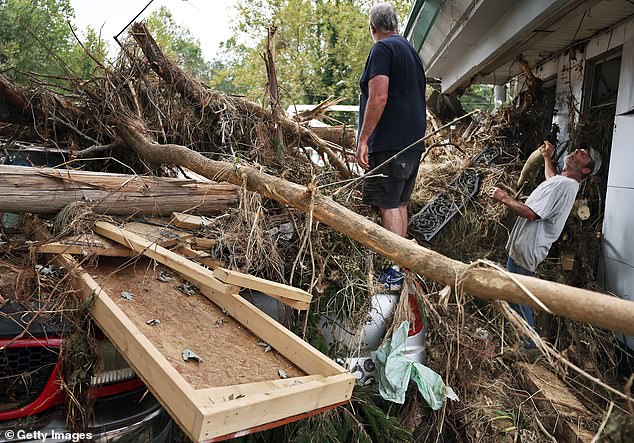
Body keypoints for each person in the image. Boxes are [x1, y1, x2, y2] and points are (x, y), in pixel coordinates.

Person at [356, 3, 426, 290]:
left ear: (373, 28)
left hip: (390, 142)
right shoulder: (411, 52)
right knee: (399, 202)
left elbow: (379, 96)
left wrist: (363, 138)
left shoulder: (382, 50)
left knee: (386, 204)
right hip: (412, 142)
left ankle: (393, 269)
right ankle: (402, 264)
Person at [490, 140, 595, 330]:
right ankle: (527, 344)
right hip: (525, 248)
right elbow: (551, 179)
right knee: (516, 298)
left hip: (527, 249)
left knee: (518, 300)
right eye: (580, 150)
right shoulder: (564, 183)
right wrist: (547, 158)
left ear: (585, 170)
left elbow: (532, 213)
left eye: (584, 155)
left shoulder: (565, 186)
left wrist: (504, 198)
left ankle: (532, 348)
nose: (578, 150)